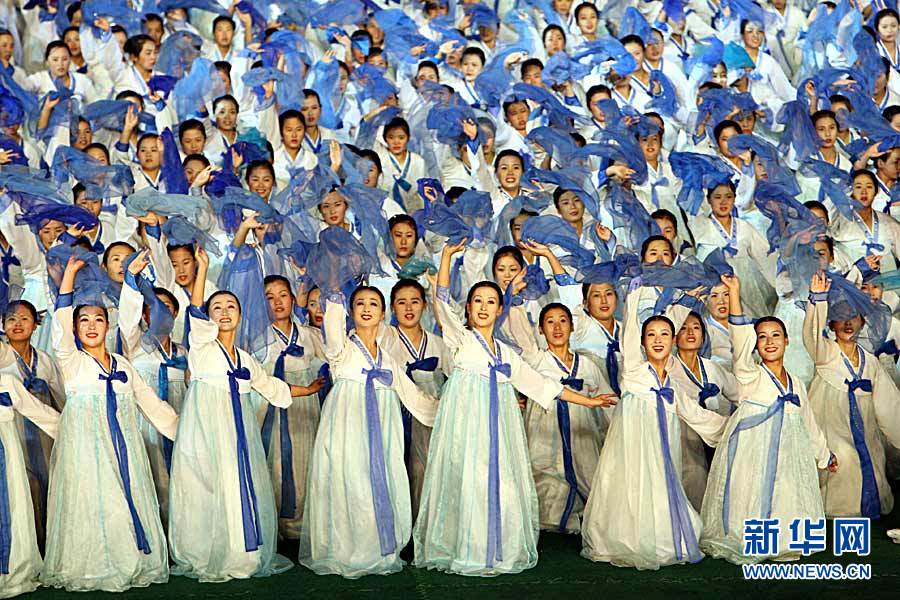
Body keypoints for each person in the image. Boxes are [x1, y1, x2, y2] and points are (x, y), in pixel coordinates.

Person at [413, 240, 615, 576]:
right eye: (478, 301)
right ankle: (468, 548)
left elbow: (543, 386)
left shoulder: (507, 355)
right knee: (470, 482)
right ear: (469, 309)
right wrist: (447, 256)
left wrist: (590, 400)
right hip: (467, 427)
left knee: (501, 483)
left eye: (491, 302)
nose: (483, 307)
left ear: (499, 309)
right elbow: (442, 300)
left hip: (499, 431)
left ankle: (498, 548)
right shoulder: (460, 339)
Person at [168, 247, 307, 582]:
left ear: (242, 315)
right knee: (204, 486)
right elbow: (195, 312)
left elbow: (271, 387)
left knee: (236, 483)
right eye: (217, 307)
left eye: (231, 306)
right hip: (205, 432)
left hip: (237, 435)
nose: (224, 312)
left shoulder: (245, 358)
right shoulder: (202, 346)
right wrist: (202, 268)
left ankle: (241, 551)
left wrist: (311, 388)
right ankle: (205, 550)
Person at [42, 256, 178, 592]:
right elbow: (60, 325)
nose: (91, 326)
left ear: (107, 326)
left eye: (98, 320)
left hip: (123, 451)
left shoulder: (122, 364)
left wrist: (186, 435)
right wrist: (69, 276)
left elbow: (152, 404)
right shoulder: (71, 361)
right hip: (87, 452)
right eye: (84, 320)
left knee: (124, 498)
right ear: (76, 329)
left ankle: (129, 559)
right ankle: (94, 565)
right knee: (94, 503)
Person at [581, 283, 727, 570]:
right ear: (642, 341)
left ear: (673, 341)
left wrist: (734, 428)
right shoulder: (634, 371)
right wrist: (634, 296)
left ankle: (661, 536)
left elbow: (698, 416)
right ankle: (630, 538)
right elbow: (630, 330)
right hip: (633, 454)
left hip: (662, 458)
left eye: (664, 335)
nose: (658, 340)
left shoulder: (672, 386)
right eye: (651, 335)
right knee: (630, 492)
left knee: (662, 494)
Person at [299, 284, 439, 578]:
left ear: (383, 314)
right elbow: (333, 330)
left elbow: (414, 397)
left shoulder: (388, 360)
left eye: (373, 304)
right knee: (351, 484)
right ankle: (347, 550)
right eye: (360, 303)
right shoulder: (341, 349)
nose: (366, 308)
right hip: (348, 429)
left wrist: (450, 410)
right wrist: (334, 294)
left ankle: (377, 547)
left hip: (383, 434)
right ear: (350, 312)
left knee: (381, 481)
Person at [699, 273, 837, 564]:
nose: (770, 342)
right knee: (749, 495)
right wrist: (734, 293)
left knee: (787, 490)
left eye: (776, 336)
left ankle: (783, 538)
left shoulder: (796, 383)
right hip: (753, 452)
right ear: (756, 345)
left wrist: (824, 455)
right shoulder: (749, 374)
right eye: (762, 337)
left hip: (789, 453)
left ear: (787, 341)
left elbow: (808, 422)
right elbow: (739, 339)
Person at [802, 273, 900, 518]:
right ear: (831, 324)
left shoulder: (870, 362)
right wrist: (818, 299)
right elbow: (811, 335)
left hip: (864, 430)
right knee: (843, 456)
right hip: (829, 425)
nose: (848, 324)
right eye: (840, 317)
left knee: (871, 462)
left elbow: (889, 405)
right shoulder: (825, 353)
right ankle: (838, 508)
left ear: (863, 322)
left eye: (854, 317)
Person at [260, 275, 327, 539]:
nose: (278, 302)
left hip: (306, 409)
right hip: (271, 408)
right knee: (275, 462)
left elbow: (332, 360)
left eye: (283, 295)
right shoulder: (258, 338)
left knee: (306, 461)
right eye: (270, 297)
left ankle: (304, 525)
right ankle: (276, 525)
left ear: (292, 299)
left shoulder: (310, 335)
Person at [0, 372, 60, 598]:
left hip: (8, 461)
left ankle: (13, 566)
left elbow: (38, 412)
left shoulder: (6, 382)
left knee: (13, 506)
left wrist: (73, 430)